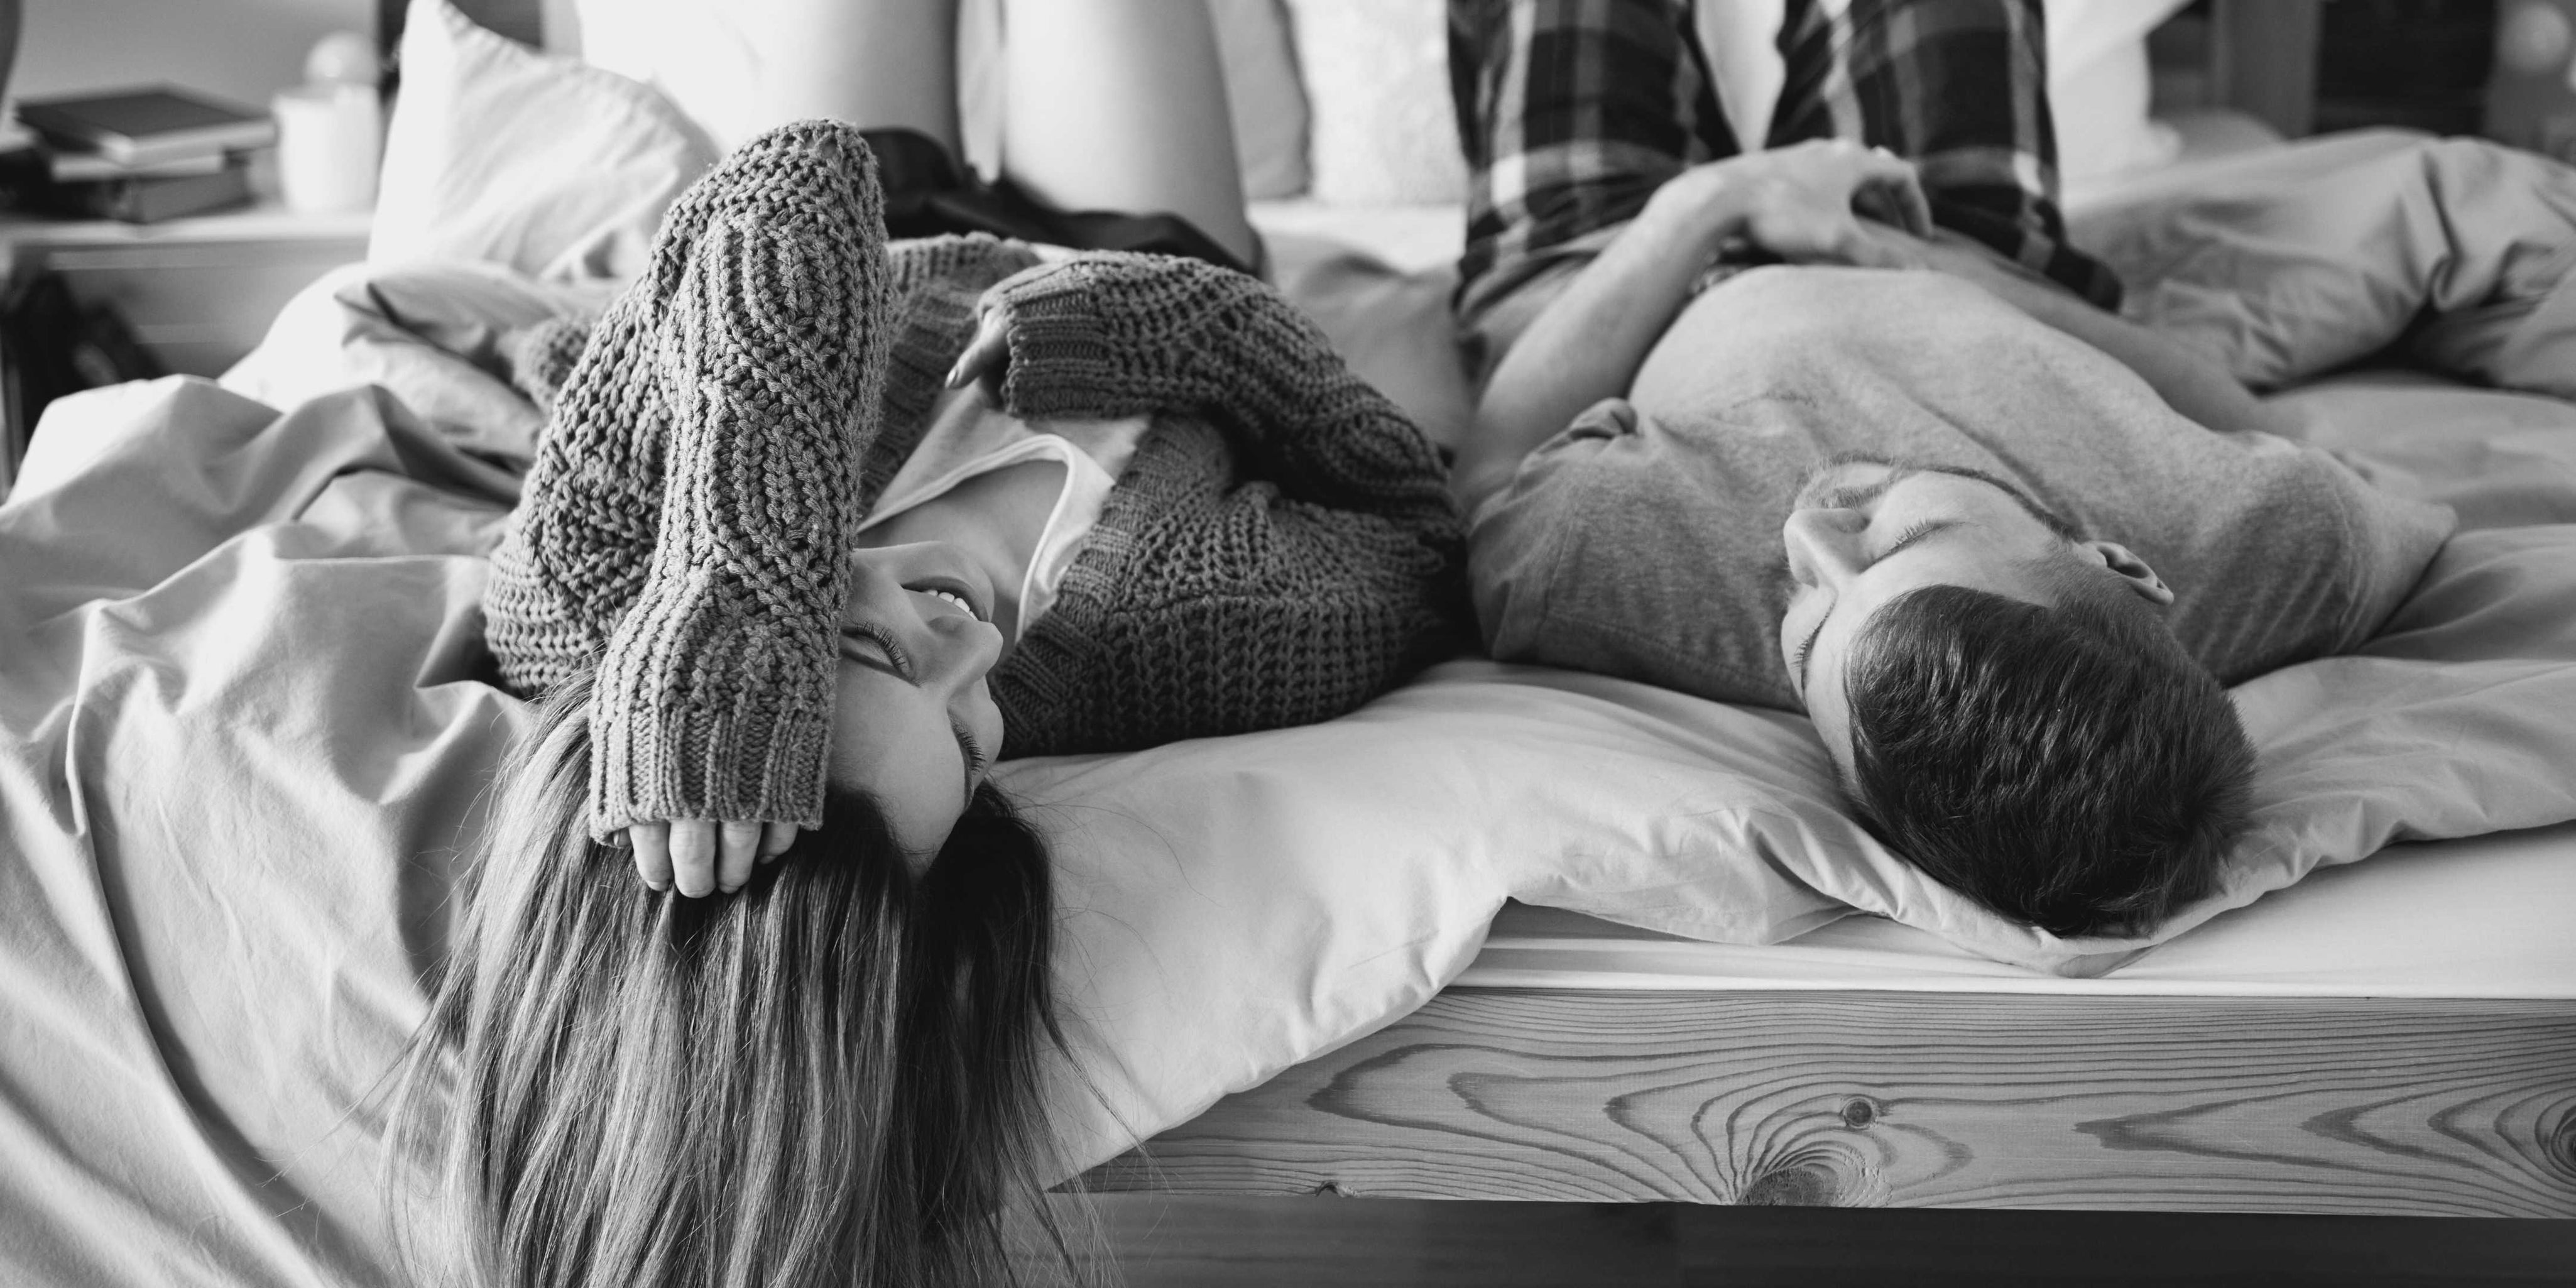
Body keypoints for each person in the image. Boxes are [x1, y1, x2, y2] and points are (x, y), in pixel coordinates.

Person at [396, 4, 1465, 1284]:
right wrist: (1185, 327)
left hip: (870, 231)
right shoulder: (1186, 630)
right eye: (971, 736)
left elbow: (799, 176)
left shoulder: (589, 605)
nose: (971, 648)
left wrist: (738, 581)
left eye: (864, 641)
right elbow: (1416, 536)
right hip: (1149, 267)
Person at [1446, 0, 2459, 936]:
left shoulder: (1611, 576)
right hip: (1940, 233)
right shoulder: (2290, 552)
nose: (1808, 535)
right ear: (2115, 563)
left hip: (1615, 265)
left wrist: (1713, 201)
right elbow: (2260, 426)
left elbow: (1492, 463)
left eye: (1804, 648)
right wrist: (1924, 262)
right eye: (1905, 534)